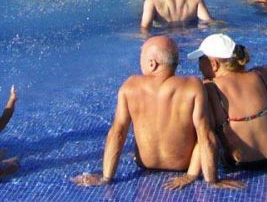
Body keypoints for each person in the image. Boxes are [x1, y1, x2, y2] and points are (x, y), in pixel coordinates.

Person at [73, 36, 242, 189]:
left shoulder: (130, 87)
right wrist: (211, 180)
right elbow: (205, 135)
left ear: (152, 64)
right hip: (182, 167)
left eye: (141, 59)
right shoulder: (192, 86)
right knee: (207, 128)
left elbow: (118, 133)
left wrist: (106, 177)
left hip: (145, 164)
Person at [190, 34, 267, 172]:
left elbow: (205, 134)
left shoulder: (208, 87)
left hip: (242, 164)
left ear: (214, 64)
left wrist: (193, 174)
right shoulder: (257, 75)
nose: (199, 68)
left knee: (204, 106)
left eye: (201, 61)